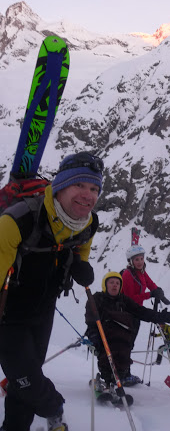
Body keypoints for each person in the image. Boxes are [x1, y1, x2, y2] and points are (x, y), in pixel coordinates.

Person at [0, 151, 103, 431]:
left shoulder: (88, 223)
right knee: (27, 380)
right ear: (60, 186)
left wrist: (80, 266)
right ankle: (54, 407)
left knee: (26, 380)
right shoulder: (17, 222)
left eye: (94, 188)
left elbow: (81, 249)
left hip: (44, 310)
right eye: (79, 185)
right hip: (8, 315)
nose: (87, 195)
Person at [85, 272, 170, 389]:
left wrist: (159, 317)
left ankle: (118, 380)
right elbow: (90, 319)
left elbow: (141, 311)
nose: (114, 285)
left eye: (117, 283)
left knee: (123, 359)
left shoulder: (124, 300)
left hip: (121, 339)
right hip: (101, 338)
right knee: (107, 360)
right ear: (105, 285)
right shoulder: (97, 299)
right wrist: (93, 335)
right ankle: (108, 381)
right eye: (111, 282)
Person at [121, 245, 170, 350]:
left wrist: (159, 293)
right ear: (131, 261)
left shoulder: (141, 272)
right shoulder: (127, 275)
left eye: (142, 258)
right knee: (126, 341)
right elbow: (130, 298)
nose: (140, 262)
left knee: (131, 342)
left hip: (137, 312)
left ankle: (124, 360)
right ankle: (122, 361)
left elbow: (150, 283)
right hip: (127, 313)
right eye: (136, 259)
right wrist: (150, 294)